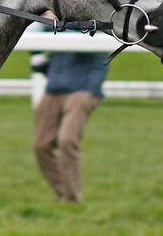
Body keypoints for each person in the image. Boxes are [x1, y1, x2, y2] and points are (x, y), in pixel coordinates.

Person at [31, 23, 108, 203]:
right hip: (54, 88)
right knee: (40, 145)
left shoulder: (94, 18)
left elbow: (86, 47)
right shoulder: (56, 21)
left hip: (83, 88)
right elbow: (34, 46)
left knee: (67, 140)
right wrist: (47, 23)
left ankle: (72, 198)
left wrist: (58, 25)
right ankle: (63, 193)